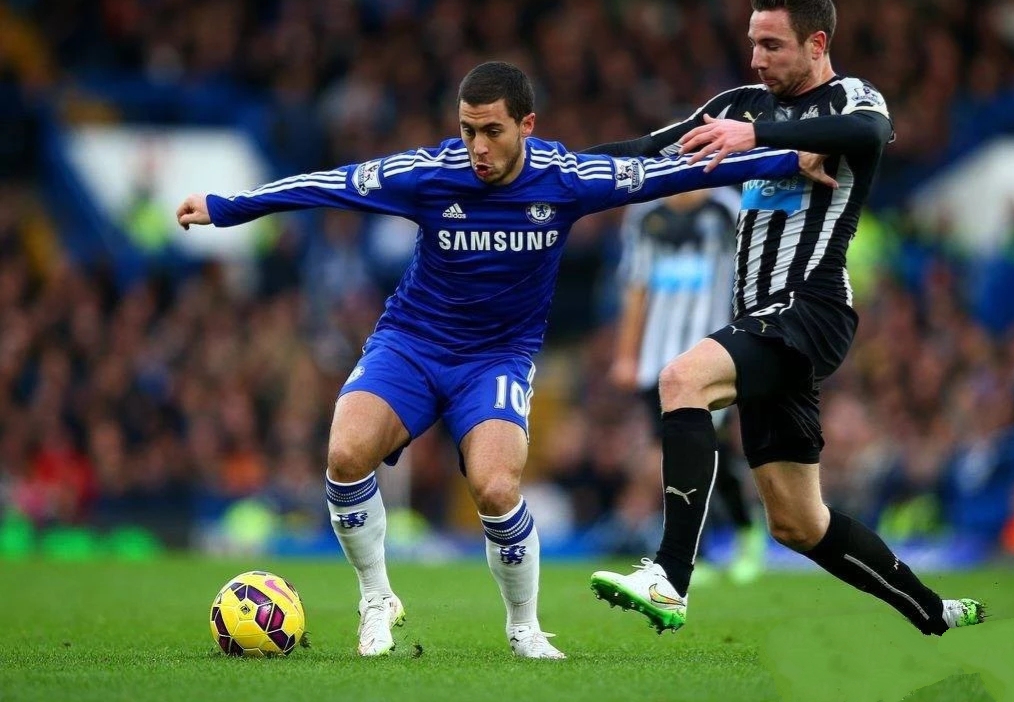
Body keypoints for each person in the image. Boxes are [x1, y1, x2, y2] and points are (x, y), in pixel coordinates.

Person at [176, 61, 835, 659]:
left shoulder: (567, 179)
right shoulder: (431, 174)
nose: (478, 148)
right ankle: (376, 597)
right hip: (411, 341)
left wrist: (788, 159)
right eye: (467, 131)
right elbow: (331, 185)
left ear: (527, 125)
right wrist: (227, 208)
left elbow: (678, 171)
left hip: (497, 359)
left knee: (495, 488)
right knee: (346, 455)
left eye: (492, 131)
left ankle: (524, 627)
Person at [588, 0, 986, 636]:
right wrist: (544, 169)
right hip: (759, 320)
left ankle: (669, 577)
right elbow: (647, 152)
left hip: (810, 307)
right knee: (799, 523)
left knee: (681, 379)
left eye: (772, 45)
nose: (756, 59)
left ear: (817, 43)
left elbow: (871, 131)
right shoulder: (738, 106)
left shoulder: (849, 98)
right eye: (753, 43)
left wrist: (758, 138)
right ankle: (931, 611)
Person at [609, 188, 766, 584]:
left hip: (709, 354)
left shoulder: (728, 210)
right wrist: (627, 355)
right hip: (657, 360)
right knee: (675, 455)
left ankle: (744, 531)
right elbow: (636, 286)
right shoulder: (645, 214)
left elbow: (751, 278)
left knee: (706, 451)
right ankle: (700, 551)